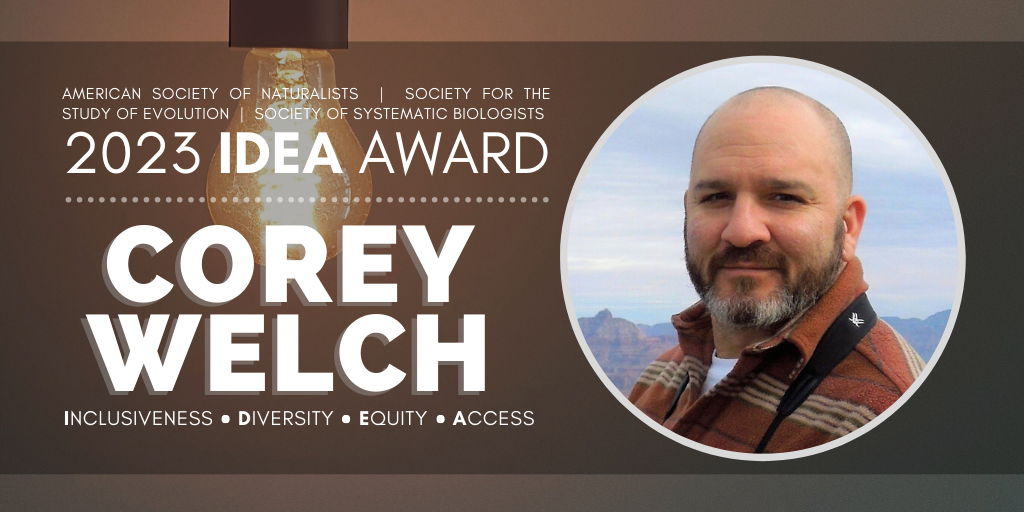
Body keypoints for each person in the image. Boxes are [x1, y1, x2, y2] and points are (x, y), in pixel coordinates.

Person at [628, 86, 925, 454]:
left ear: (848, 227)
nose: (741, 231)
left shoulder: (879, 412)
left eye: (785, 198)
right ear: (688, 210)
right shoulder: (665, 374)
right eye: (716, 197)